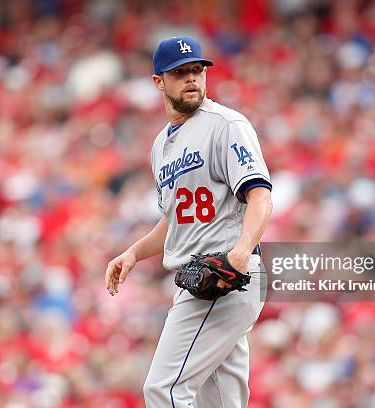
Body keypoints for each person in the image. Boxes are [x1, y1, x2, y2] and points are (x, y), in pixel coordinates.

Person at [105, 35, 273, 408]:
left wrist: (241, 253)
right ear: (159, 82)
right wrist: (134, 252)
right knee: (221, 402)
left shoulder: (225, 124)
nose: (192, 78)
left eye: (197, 69)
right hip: (198, 276)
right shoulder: (160, 146)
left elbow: (260, 196)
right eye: (180, 73)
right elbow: (175, 219)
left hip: (227, 275)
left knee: (163, 390)